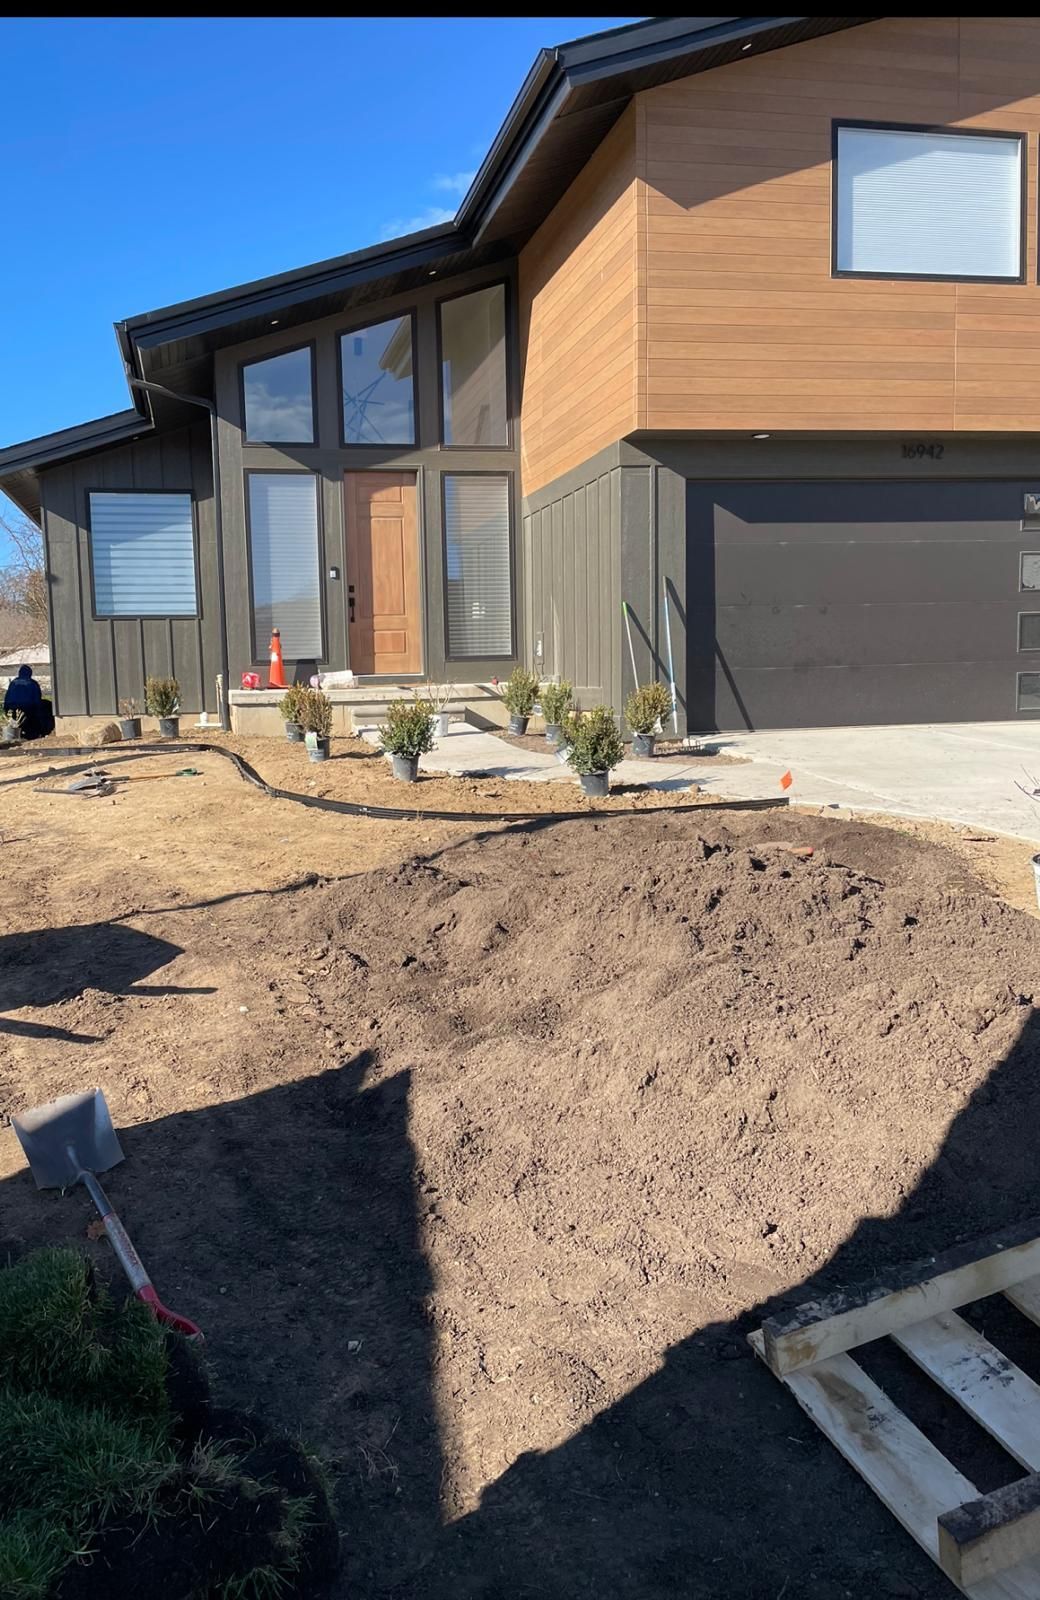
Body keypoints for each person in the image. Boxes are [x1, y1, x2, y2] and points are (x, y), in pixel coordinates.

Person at [3, 663, 54, 740]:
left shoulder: (13, 683)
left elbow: (8, 696)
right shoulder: (33, 683)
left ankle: (16, 736)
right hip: (29, 708)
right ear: (30, 673)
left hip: (13, 707)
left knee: (17, 723)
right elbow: (37, 698)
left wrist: (6, 708)